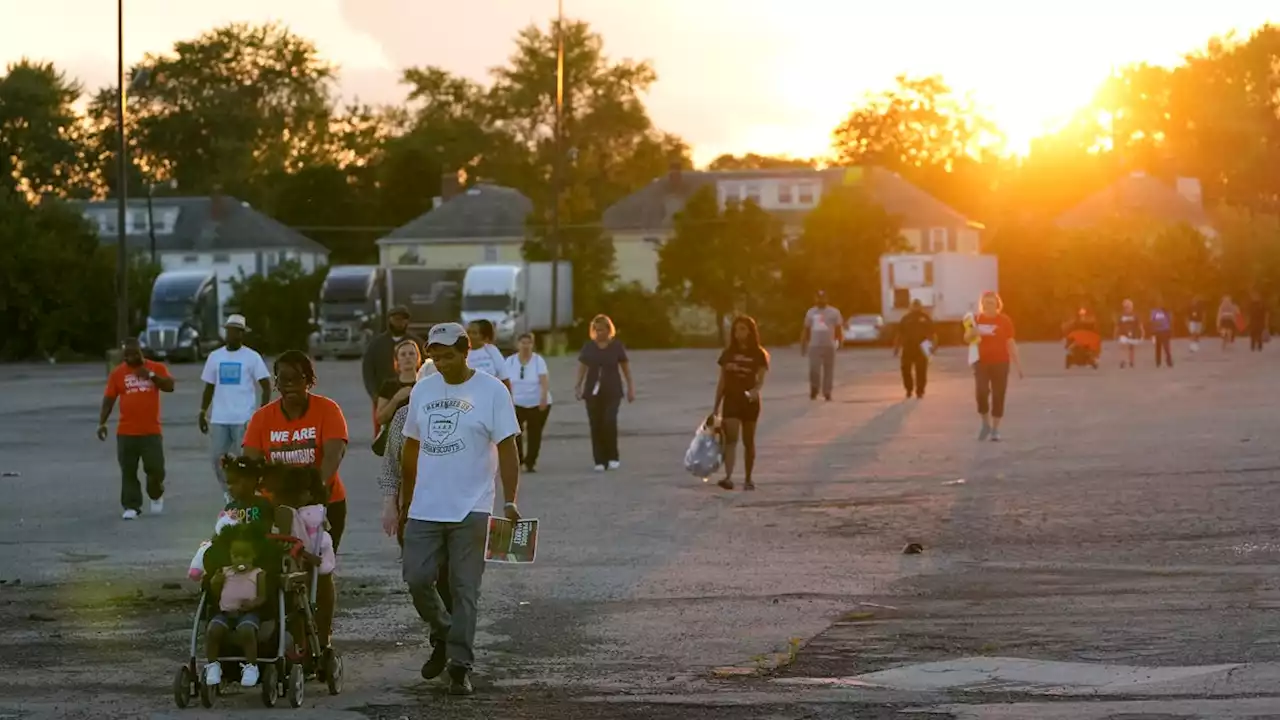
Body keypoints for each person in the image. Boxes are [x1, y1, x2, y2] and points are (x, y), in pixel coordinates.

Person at [400, 322, 522, 696]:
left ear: (466, 350)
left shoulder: (492, 391)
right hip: (425, 506)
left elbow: (507, 448)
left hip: (473, 506)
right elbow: (410, 446)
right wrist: (406, 500)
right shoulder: (423, 389)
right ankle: (444, 630)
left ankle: (459, 665)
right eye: (435, 355)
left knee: (464, 587)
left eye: (448, 355)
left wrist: (510, 499)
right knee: (417, 579)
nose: (440, 362)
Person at [242, 350, 348, 652]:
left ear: (309, 380)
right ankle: (290, 636)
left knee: (319, 570)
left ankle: (322, 638)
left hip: (322, 503)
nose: (288, 384)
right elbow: (251, 463)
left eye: (295, 378)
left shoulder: (327, 410)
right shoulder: (262, 418)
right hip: (277, 508)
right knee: (279, 570)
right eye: (282, 378)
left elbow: (333, 454)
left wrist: (314, 491)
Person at [98, 339, 175, 519]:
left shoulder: (155, 367)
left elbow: (170, 386)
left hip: (151, 431)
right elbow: (109, 399)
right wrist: (102, 422)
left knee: (155, 469)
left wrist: (151, 376)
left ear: (141, 352)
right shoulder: (118, 374)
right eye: (127, 355)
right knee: (128, 470)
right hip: (126, 432)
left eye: (135, 354)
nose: (131, 358)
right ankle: (131, 506)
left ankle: (156, 494)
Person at [199, 315, 272, 502]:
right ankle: (228, 491)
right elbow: (209, 387)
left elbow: (265, 385)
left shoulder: (251, 357)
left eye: (236, 331)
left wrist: (262, 413)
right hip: (219, 418)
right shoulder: (215, 357)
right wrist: (202, 412)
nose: (231, 334)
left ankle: (247, 492)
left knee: (245, 459)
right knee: (217, 458)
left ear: (242, 334)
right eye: (229, 330)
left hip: (243, 418)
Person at [203, 523, 269, 689]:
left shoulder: (258, 573)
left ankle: (251, 666)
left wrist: (253, 603)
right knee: (212, 631)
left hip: (248, 613)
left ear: (254, 555)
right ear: (230, 556)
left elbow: (263, 597)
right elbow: (216, 593)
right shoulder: (225, 572)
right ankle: (213, 666)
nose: (240, 560)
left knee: (246, 631)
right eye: (236, 556)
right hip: (225, 612)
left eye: (245, 556)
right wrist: (215, 583)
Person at [713, 316, 770, 491]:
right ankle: (728, 477)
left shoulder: (759, 354)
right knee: (731, 440)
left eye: (743, 329)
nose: (739, 333)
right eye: (737, 330)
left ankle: (748, 478)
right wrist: (716, 406)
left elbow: (760, 380)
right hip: (731, 399)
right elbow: (722, 381)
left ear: (751, 332)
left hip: (749, 401)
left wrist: (755, 391)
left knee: (748, 441)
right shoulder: (727, 354)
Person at [575, 314, 635, 471]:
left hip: (612, 389)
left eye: (602, 330)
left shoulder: (616, 346)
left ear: (609, 330)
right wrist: (578, 386)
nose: (599, 333)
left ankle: (613, 456)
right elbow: (582, 367)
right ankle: (599, 460)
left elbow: (625, 368)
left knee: (609, 421)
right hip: (592, 391)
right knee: (596, 424)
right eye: (597, 330)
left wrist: (630, 387)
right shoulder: (589, 347)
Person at [964, 291, 1023, 442]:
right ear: (981, 304)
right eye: (985, 303)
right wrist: (973, 332)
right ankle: (985, 424)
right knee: (981, 392)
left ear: (997, 304)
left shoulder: (1004, 321)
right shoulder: (975, 319)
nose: (988, 306)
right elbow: (966, 338)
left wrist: (1018, 365)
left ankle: (995, 429)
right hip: (981, 363)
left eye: (991, 303)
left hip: (1001, 362)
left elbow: (1010, 342)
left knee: (998, 394)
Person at [363, 306, 424, 430]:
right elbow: (368, 370)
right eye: (396, 319)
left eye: (402, 319)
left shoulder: (417, 343)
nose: (399, 322)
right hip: (384, 396)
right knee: (381, 433)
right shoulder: (376, 344)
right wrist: (374, 394)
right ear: (389, 320)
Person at [504, 332, 552, 472]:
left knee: (534, 433)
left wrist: (543, 398)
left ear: (532, 345)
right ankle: (519, 459)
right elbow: (505, 381)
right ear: (517, 344)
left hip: (536, 402)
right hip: (516, 402)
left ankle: (531, 462)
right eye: (522, 342)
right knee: (515, 432)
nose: (525, 346)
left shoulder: (538, 361)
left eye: (528, 343)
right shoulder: (510, 361)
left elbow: (544, 381)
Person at [800, 290, 842, 401]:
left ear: (826, 299)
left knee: (829, 370)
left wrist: (840, 341)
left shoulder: (834, 312)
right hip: (814, 345)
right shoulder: (811, 312)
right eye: (818, 298)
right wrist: (803, 344)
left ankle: (827, 392)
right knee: (814, 369)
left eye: (823, 298)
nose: (820, 300)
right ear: (815, 299)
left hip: (829, 344)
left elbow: (838, 328)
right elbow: (806, 329)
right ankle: (814, 388)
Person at [376, 339, 423, 428]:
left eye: (411, 353)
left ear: (418, 358)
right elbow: (380, 419)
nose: (407, 357)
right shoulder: (389, 385)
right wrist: (395, 399)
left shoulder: (425, 384)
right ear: (397, 360)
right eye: (403, 354)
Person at [894, 299, 935, 399]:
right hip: (908, 347)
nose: (916, 307)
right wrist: (896, 347)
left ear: (920, 306)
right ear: (911, 307)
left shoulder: (925, 318)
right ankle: (909, 389)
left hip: (922, 347)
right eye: (914, 305)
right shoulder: (906, 318)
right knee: (905, 369)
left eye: (917, 305)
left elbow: (932, 333)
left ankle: (920, 390)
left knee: (921, 370)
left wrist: (932, 346)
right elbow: (900, 333)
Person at [466, 320, 512, 392]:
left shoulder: (491, 350)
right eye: (468, 332)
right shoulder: (460, 353)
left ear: (483, 336)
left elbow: (504, 378)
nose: (469, 335)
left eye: (474, 333)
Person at [1116, 299, 1144, 369]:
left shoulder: (1135, 315)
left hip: (1132, 333)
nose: (1127, 308)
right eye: (1126, 307)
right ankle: (1123, 360)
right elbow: (1118, 325)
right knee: (1123, 346)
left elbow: (1139, 324)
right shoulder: (1121, 316)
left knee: (1131, 348)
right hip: (1123, 333)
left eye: (1129, 307)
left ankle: (1131, 361)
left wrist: (1142, 332)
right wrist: (1116, 333)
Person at [1149, 299, 1174, 368]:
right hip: (1157, 331)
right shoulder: (1153, 312)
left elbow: (1170, 320)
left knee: (1166, 347)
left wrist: (1169, 330)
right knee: (1158, 347)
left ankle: (1169, 361)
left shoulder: (1166, 311)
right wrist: (1152, 332)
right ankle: (1158, 362)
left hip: (1165, 331)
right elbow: (1152, 321)